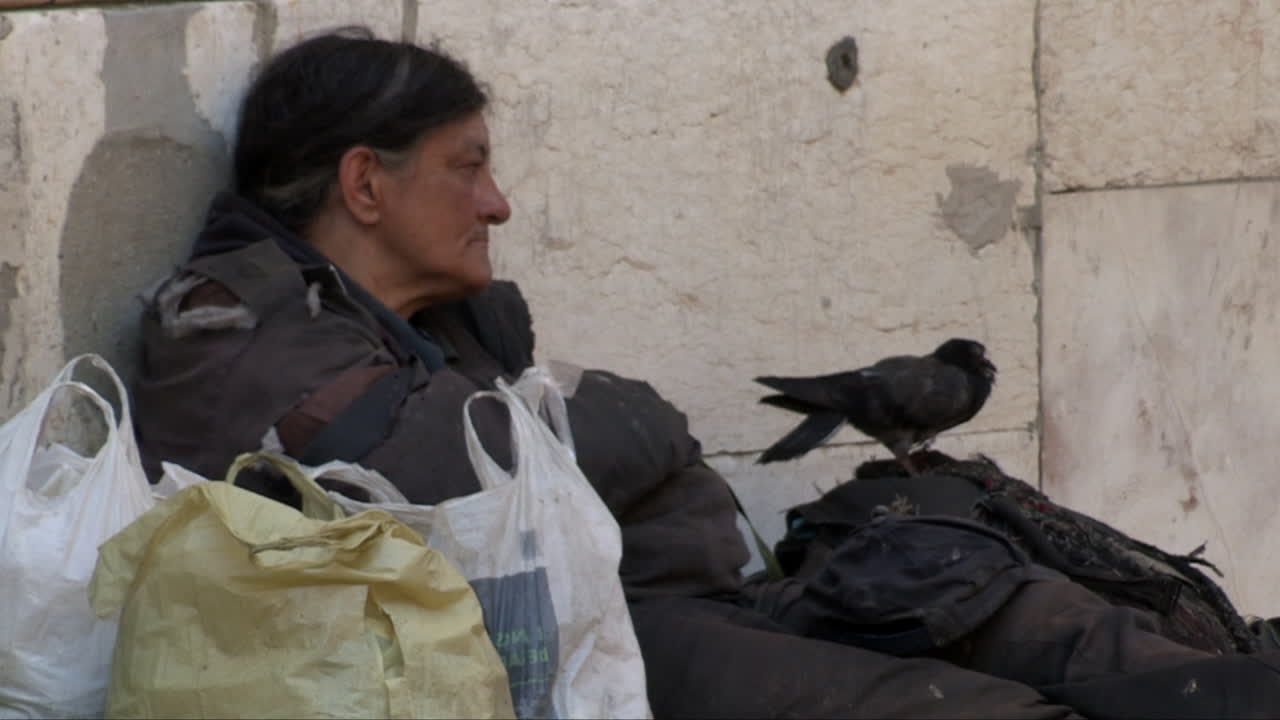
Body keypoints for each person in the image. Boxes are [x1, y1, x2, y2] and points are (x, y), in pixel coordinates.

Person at [132, 29, 1280, 719]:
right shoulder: (228, 318)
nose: (499, 202)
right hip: (599, 650)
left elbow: (525, 443)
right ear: (365, 185)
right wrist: (610, 420)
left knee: (1025, 607)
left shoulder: (445, 316)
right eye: (467, 168)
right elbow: (444, 469)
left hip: (700, 602)